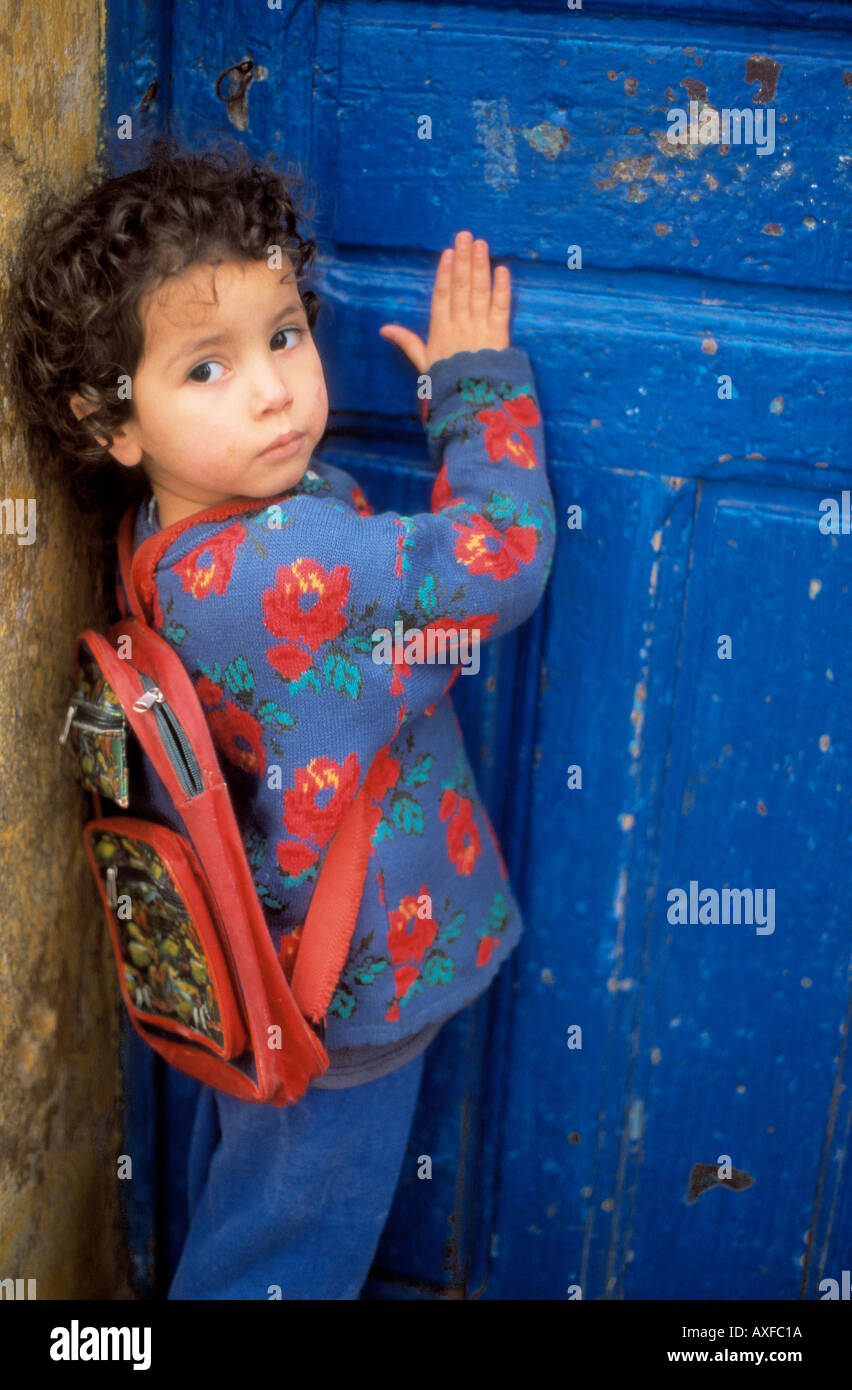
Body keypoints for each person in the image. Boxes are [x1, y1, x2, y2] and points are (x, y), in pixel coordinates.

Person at [8, 137, 556, 1299]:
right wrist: (476, 387)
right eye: (204, 369)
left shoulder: (169, 534)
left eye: (283, 335)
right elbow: (503, 559)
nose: (271, 388)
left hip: (265, 971)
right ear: (113, 423)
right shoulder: (284, 559)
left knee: (253, 1207)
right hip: (347, 984)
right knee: (285, 1257)